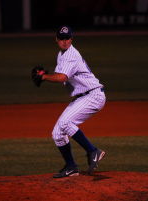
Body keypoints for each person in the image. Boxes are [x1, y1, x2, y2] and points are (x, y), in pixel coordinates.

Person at [41, 25, 106, 178]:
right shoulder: (61, 54)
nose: (65, 42)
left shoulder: (71, 54)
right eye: (62, 39)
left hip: (93, 96)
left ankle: (92, 151)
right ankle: (71, 167)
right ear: (57, 40)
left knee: (65, 123)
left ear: (71, 39)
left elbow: (62, 77)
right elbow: (60, 74)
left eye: (67, 38)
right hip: (84, 96)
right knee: (57, 133)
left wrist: (43, 77)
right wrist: (46, 74)